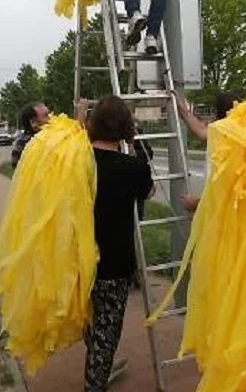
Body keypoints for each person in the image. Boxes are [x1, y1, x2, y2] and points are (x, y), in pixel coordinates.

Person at [80, 96, 154, 392]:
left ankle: (96, 366)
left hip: (78, 259)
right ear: (125, 127)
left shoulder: (77, 162)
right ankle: (95, 382)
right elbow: (148, 193)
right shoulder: (132, 167)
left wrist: (79, 118)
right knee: (108, 326)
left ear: (93, 125)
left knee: (90, 318)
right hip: (115, 262)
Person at [174, 90, 243, 213]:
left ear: (216, 114)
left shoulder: (219, 140)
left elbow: (220, 191)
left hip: (223, 221)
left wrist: (195, 204)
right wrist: (184, 111)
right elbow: (201, 130)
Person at [10, 101, 50, 167]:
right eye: (46, 115)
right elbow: (16, 167)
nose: (50, 118)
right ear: (33, 122)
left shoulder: (53, 137)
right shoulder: (24, 143)